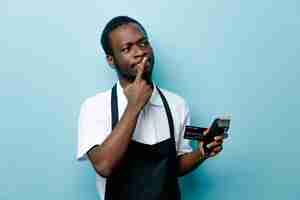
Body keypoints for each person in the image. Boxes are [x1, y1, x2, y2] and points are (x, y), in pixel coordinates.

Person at [77, 16, 226, 200]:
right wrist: (134, 106)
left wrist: (201, 153)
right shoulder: (94, 107)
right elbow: (104, 165)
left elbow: (174, 167)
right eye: (126, 49)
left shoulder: (177, 105)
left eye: (143, 43)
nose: (139, 52)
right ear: (111, 60)